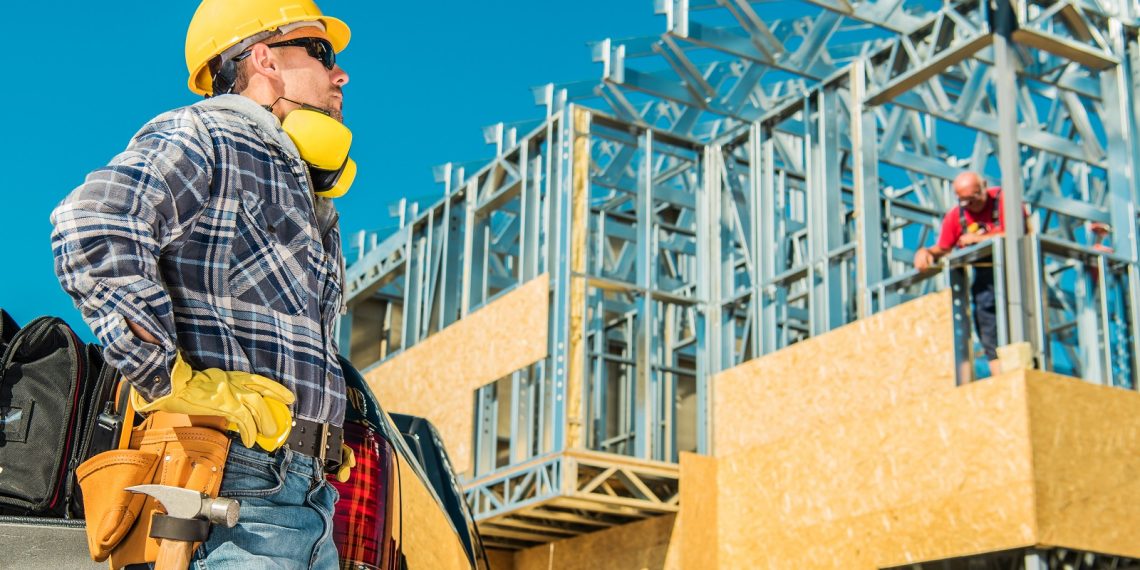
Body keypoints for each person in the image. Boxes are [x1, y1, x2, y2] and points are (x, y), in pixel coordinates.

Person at [50, 1, 356, 566]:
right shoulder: (211, 133)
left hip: (305, 491)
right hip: (230, 482)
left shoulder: (299, 184)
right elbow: (92, 222)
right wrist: (166, 376)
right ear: (263, 57)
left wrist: (322, 429)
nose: (340, 74)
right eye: (322, 52)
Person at [913, 172, 1014, 376]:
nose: (969, 204)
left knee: (1018, 321)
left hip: (1014, 272)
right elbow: (944, 247)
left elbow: (1021, 233)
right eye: (963, 200)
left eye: (973, 197)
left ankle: (1024, 369)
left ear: (984, 186)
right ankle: (1001, 378)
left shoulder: (1004, 201)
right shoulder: (956, 217)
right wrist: (926, 252)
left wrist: (979, 241)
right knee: (988, 325)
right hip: (985, 281)